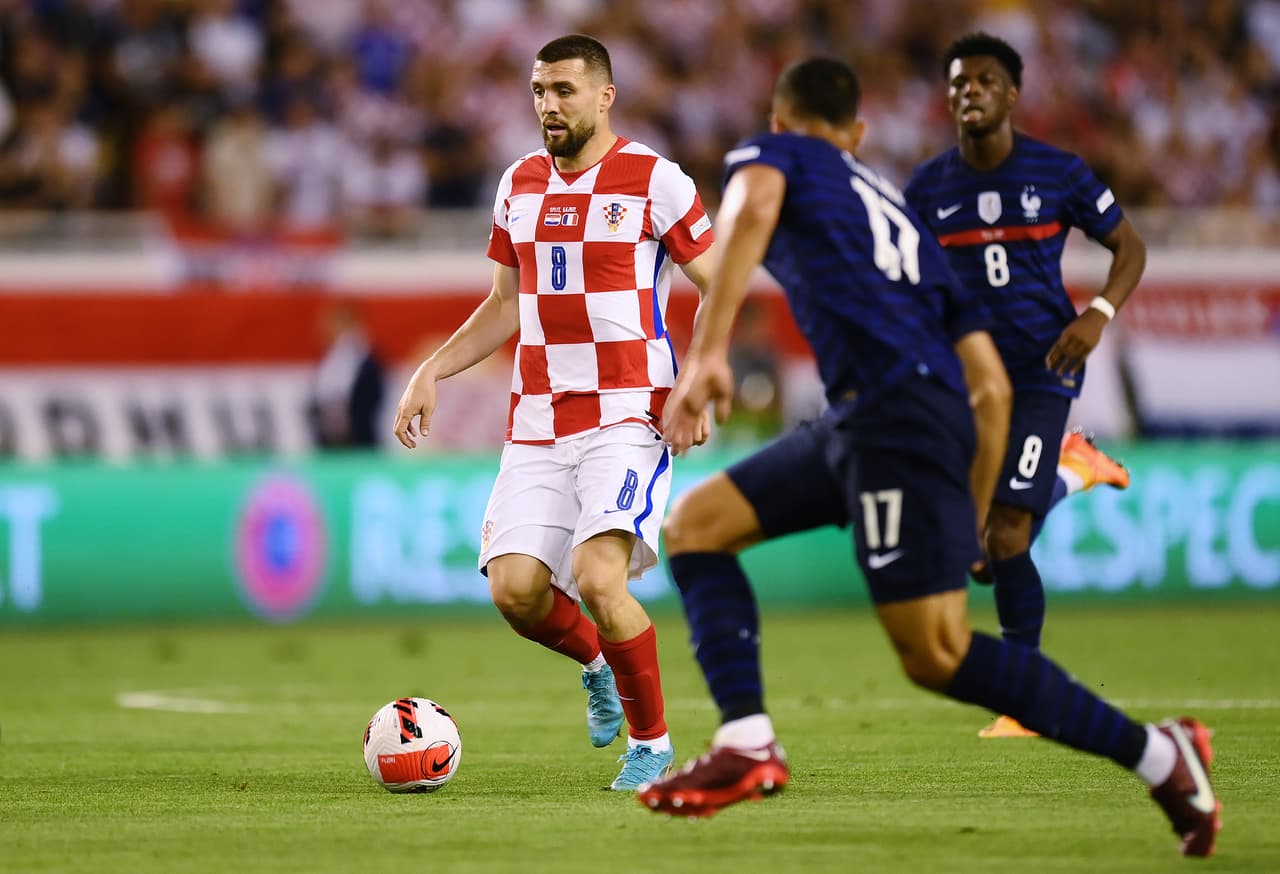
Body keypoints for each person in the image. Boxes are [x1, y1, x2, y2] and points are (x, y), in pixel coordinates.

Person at [635, 57, 1220, 858]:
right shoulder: (903, 219)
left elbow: (753, 203)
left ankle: (1160, 755)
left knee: (938, 652)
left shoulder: (779, 155)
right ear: (857, 135)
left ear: (781, 122)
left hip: (896, 420)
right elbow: (990, 385)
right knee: (696, 527)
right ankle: (746, 739)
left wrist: (708, 353)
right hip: (877, 417)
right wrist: (974, 509)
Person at [391, 34, 715, 791]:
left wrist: (702, 373)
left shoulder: (654, 179)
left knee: (599, 579)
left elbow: (719, 279)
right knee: (514, 591)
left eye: (564, 90)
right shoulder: (518, 184)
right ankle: (597, 663)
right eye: (540, 91)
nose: (549, 105)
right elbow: (505, 304)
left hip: (629, 416)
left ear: (605, 96)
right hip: (537, 420)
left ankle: (652, 745)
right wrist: (431, 370)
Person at [904, 33, 1146, 738]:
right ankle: (1074, 470)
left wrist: (1098, 315)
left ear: (1011, 94)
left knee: (1007, 535)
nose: (970, 92)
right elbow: (909, 283)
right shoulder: (927, 188)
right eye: (958, 83)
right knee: (980, 554)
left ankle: (1025, 700)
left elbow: (1130, 248)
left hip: (1044, 370)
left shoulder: (1059, 172)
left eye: (984, 81)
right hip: (969, 381)